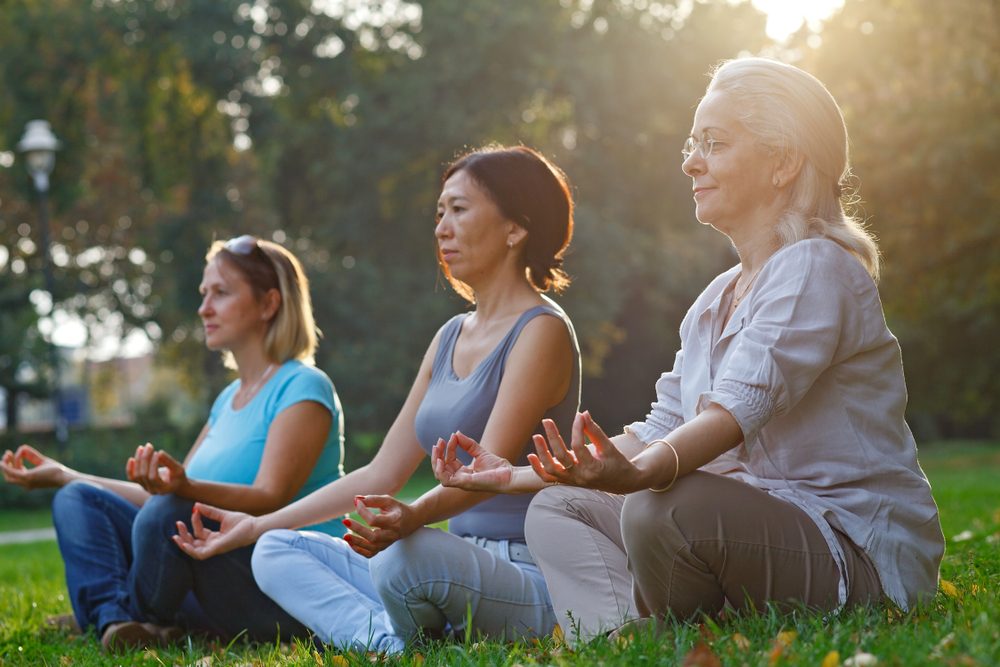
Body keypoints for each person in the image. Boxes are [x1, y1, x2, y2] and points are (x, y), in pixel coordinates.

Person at [433, 58, 945, 641]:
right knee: (560, 506)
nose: (690, 161)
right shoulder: (715, 299)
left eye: (714, 143)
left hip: (853, 552)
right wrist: (518, 476)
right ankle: (623, 643)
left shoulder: (815, 267)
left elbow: (733, 412)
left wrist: (638, 474)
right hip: (748, 527)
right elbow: (662, 427)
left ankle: (670, 632)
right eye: (691, 142)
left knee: (662, 507)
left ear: (783, 162)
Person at [172, 145, 581, 654]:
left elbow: (483, 477)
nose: (441, 228)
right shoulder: (450, 336)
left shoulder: (541, 331)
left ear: (515, 228)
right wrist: (256, 525)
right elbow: (379, 473)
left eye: (458, 209)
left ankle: (397, 637)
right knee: (274, 550)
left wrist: (412, 518)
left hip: (523, 571)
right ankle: (390, 643)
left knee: (404, 557)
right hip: (451, 559)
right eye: (439, 213)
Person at [1, 236, 346, 650]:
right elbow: (162, 500)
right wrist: (66, 475)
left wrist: (182, 490)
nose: (204, 308)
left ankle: (112, 616)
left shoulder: (303, 386)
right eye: (204, 294)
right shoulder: (227, 402)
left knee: (171, 512)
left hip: (276, 587)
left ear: (269, 304)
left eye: (221, 293)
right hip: (204, 573)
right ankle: (122, 623)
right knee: (78, 498)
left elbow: (272, 496)